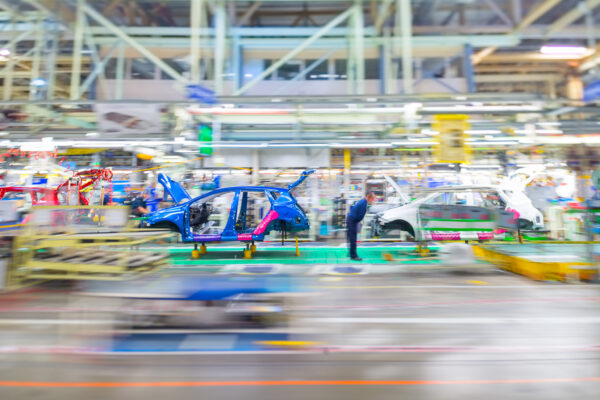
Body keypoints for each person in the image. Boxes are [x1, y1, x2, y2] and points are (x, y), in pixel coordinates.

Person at [346, 192, 376, 261]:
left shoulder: (363, 201)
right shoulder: (364, 203)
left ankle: (351, 253)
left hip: (351, 220)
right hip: (352, 221)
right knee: (353, 239)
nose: (373, 201)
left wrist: (359, 221)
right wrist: (360, 222)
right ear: (370, 198)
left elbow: (357, 212)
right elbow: (360, 215)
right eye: (373, 199)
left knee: (351, 238)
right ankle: (353, 256)